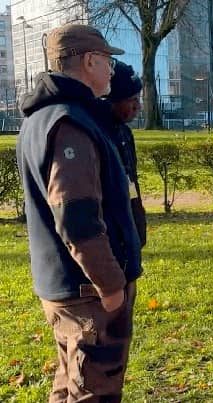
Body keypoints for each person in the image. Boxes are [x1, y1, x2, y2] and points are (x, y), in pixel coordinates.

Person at [16, 24, 140, 401]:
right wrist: (111, 286)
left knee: (70, 384)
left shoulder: (42, 118)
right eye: (107, 61)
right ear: (89, 61)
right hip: (88, 292)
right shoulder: (69, 123)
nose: (112, 70)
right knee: (93, 391)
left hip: (68, 286)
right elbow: (77, 218)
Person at [104, 60, 146, 247]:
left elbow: (132, 181)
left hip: (129, 225)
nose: (138, 106)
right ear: (112, 101)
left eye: (139, 99)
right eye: (132, 100)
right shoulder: (99, 134)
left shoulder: (125, 133)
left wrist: (138, 221)